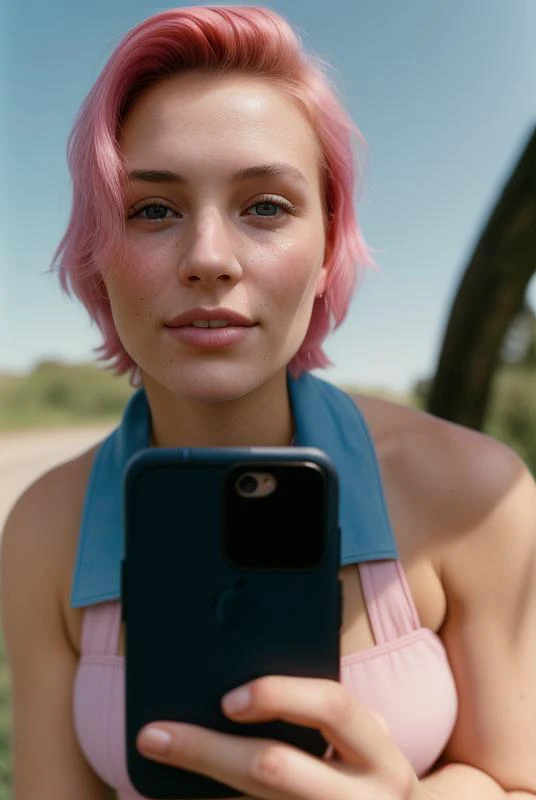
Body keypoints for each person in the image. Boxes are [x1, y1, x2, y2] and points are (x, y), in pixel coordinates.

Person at [1, 5, 535, 799]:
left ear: (328, 248)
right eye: (153, 210)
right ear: (95, 255)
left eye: (265, 207)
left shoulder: (475, 494)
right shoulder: (45, 525)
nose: (209, 259)